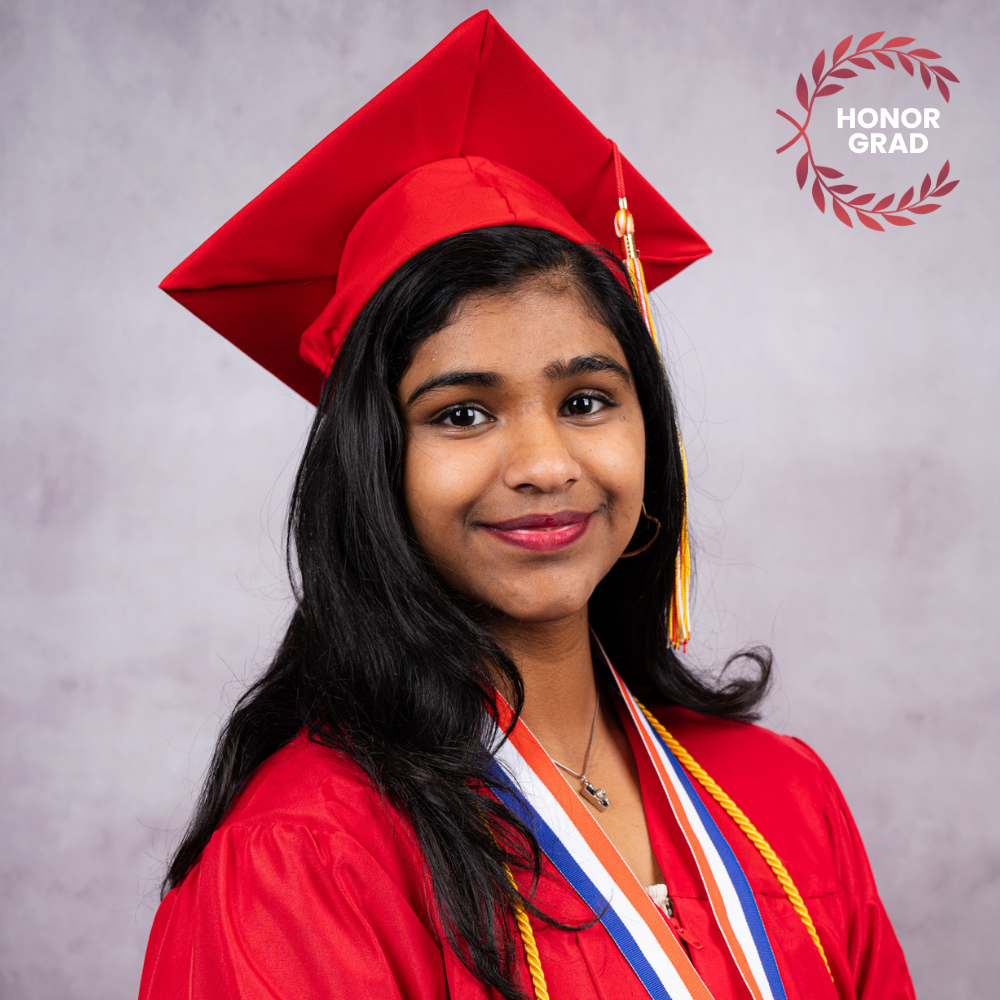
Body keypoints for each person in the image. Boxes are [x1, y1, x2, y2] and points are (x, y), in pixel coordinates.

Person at [139, 11, 915, 1000]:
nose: (545, 463)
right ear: (374, 460)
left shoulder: (782, 796)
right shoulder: (304, 859)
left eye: (586, 400)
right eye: (462, 413)